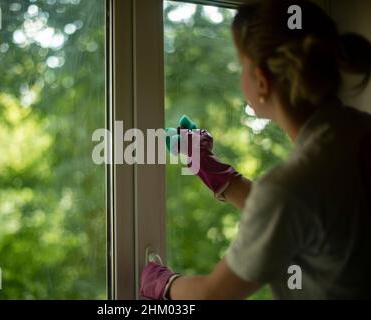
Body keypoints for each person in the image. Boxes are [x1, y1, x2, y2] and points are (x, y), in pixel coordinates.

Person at [140, 0, 371, 300]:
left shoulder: (295, 184)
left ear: (261, 81)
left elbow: (213, 294)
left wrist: (164, 284)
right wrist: (215, 172)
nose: (240, 77)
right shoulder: (355, 136)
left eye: (242, 66)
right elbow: (302, 216)